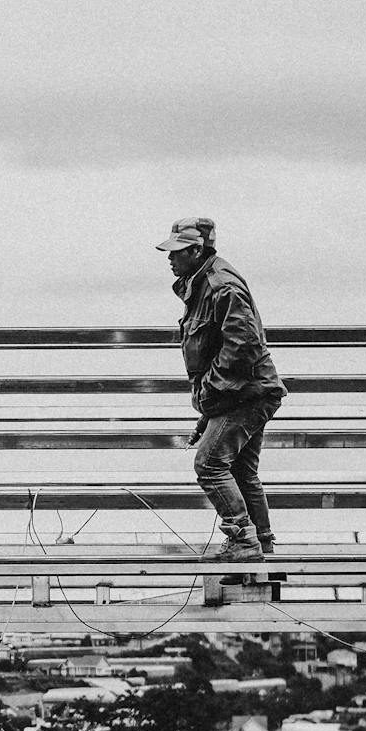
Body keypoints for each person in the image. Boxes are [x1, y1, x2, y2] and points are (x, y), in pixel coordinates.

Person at [160, 216, 287, 565]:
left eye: (176, 252)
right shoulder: (200, 284)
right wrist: (209, 410)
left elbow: (241, 349)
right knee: (242, 471)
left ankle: (242, 539)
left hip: (247, 393)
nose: (169, 259)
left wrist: (208, 397)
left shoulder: (221, 287)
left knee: (210, 464)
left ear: (197, 250)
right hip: (242, 392)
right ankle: (263, 550)